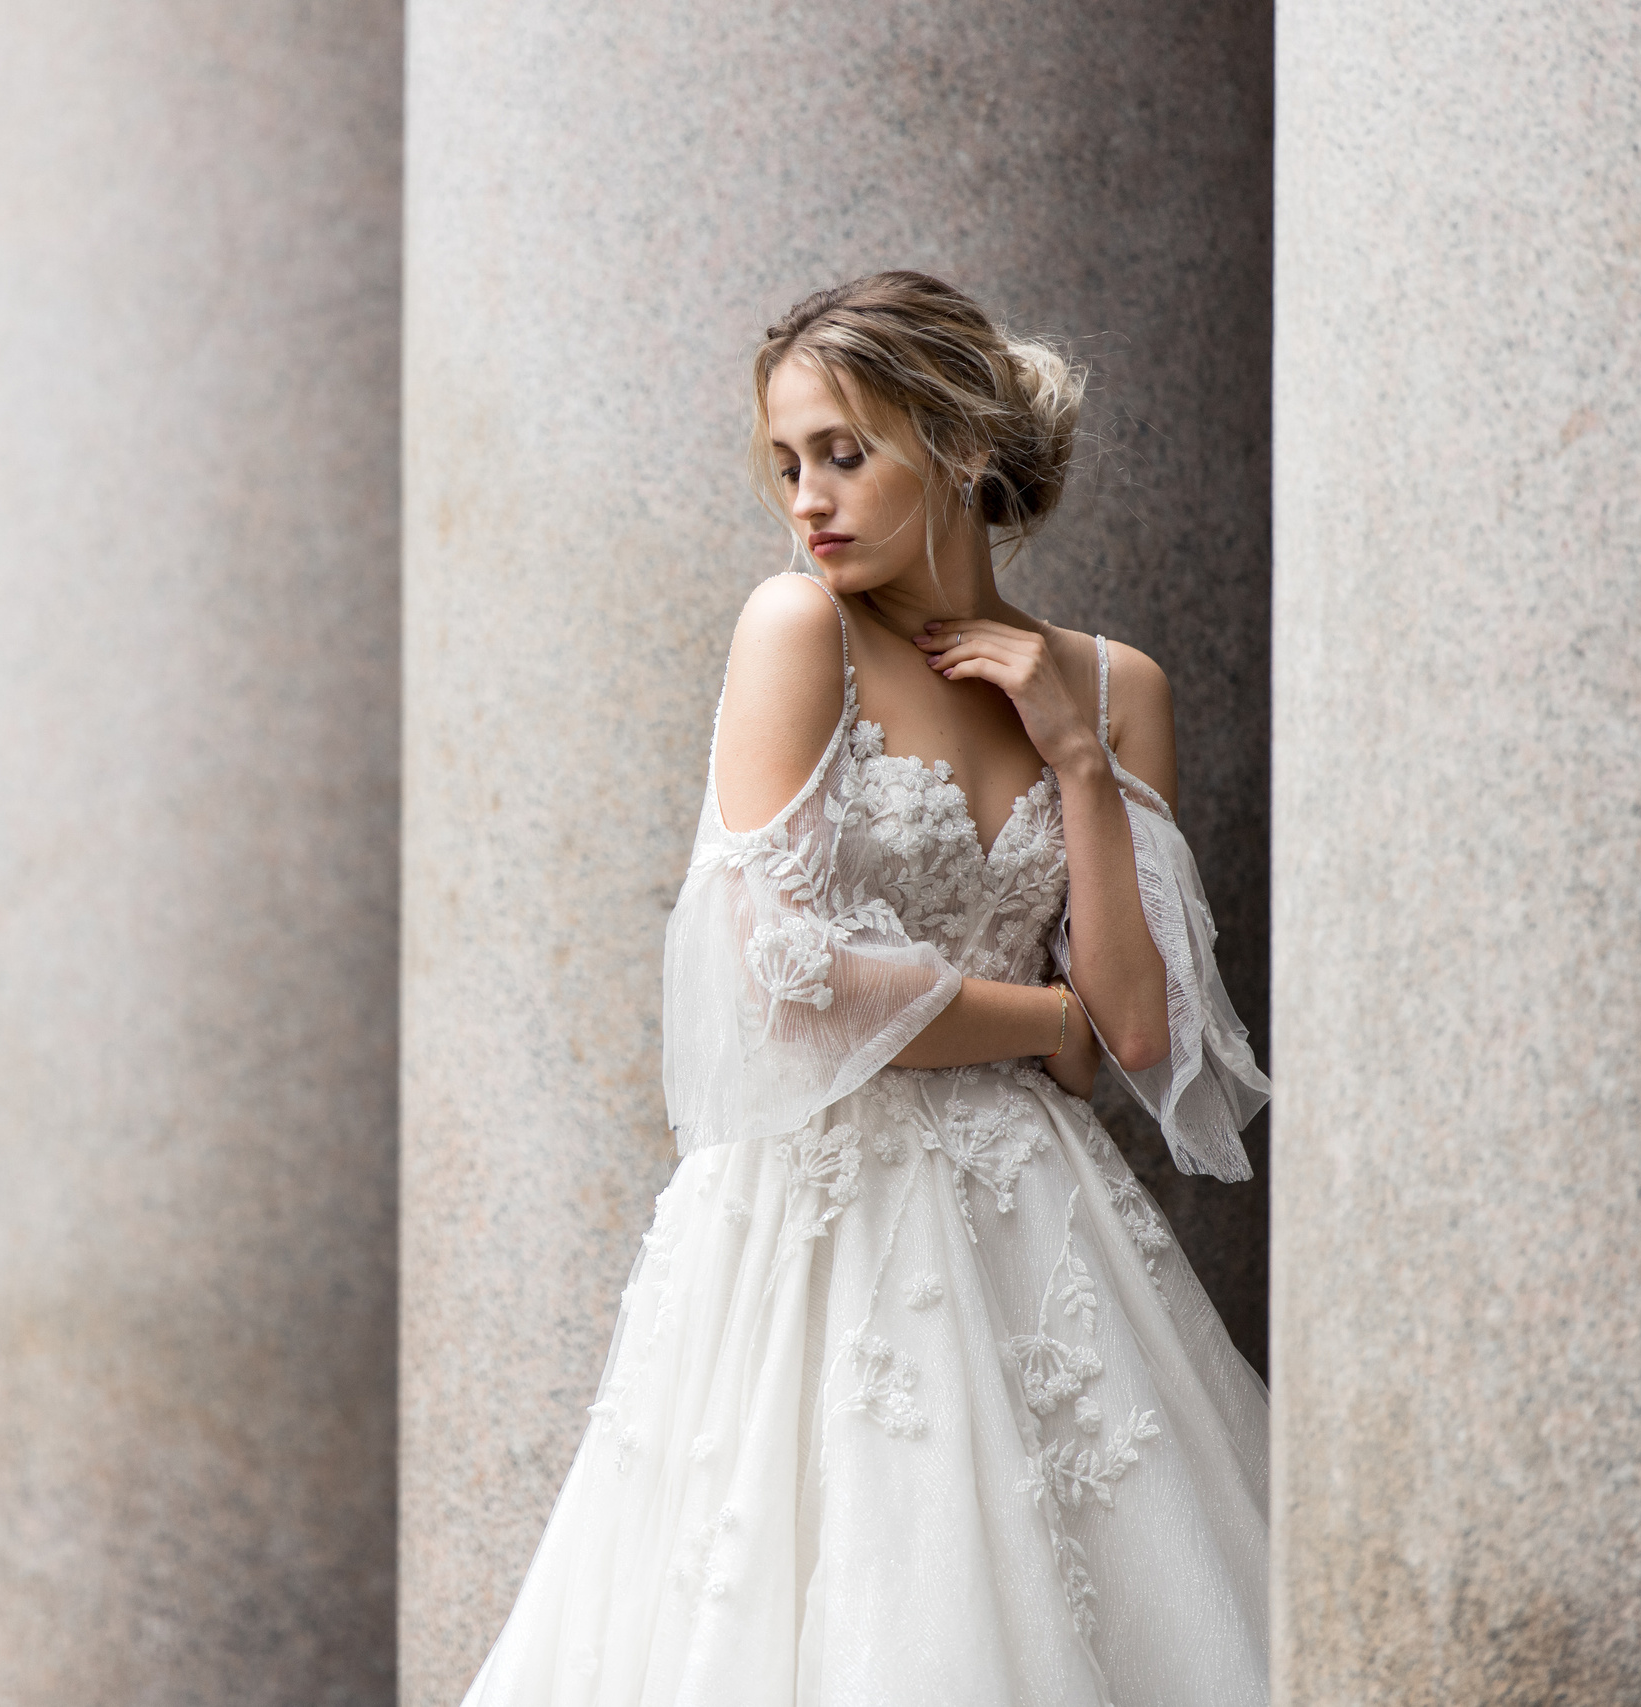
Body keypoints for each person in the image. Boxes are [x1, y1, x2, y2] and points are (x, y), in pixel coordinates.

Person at [461, 271, 1272, 1706]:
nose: (807, 502)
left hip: (1038, 1226)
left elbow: (1139, 1033)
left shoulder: (1112, 684)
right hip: (810, 1217)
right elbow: (778, 984)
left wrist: (1073, 755)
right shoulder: (798, 629)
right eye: (786, 463)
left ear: (958, 447)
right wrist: (1038, 1025)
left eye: (845, 452)